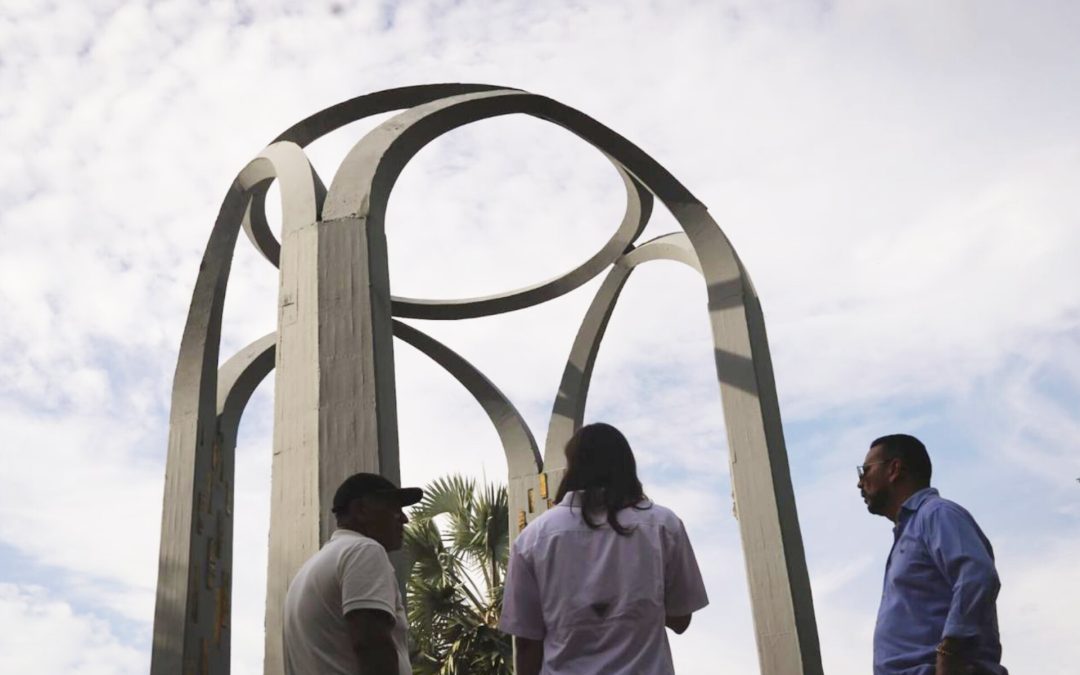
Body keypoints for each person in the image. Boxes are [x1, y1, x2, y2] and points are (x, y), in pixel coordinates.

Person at [499, 422, 709, 675]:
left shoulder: (533, 538)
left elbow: (526, 642)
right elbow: (680, 619)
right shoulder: (664, 525)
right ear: (626, 466)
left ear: (573, 467)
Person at [858, 434, 1008, 675]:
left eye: (865, 471)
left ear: (894, 469)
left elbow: (977, 575)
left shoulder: (936, 514)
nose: (860, 482)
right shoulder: (908, 532)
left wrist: (950, 653)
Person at [283, 472, 423, 675]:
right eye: (393, 508)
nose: (404, 518)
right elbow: (371, 646)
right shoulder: (364, 551)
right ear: (361, 510)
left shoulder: (309, 570)